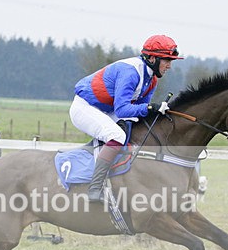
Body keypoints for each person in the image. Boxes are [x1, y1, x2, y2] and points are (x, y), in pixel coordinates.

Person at [69, 34, 183, 201]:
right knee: (117, 136)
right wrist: (151, 107)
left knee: (137, 131)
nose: (169, 66)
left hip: (107, 110)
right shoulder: (130, 72)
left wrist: (155, 112)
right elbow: (122, 110)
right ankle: (95, 188)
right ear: (152, 58)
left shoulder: (151, 80)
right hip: (85, 107)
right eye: (167, 60)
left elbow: (138, 111)